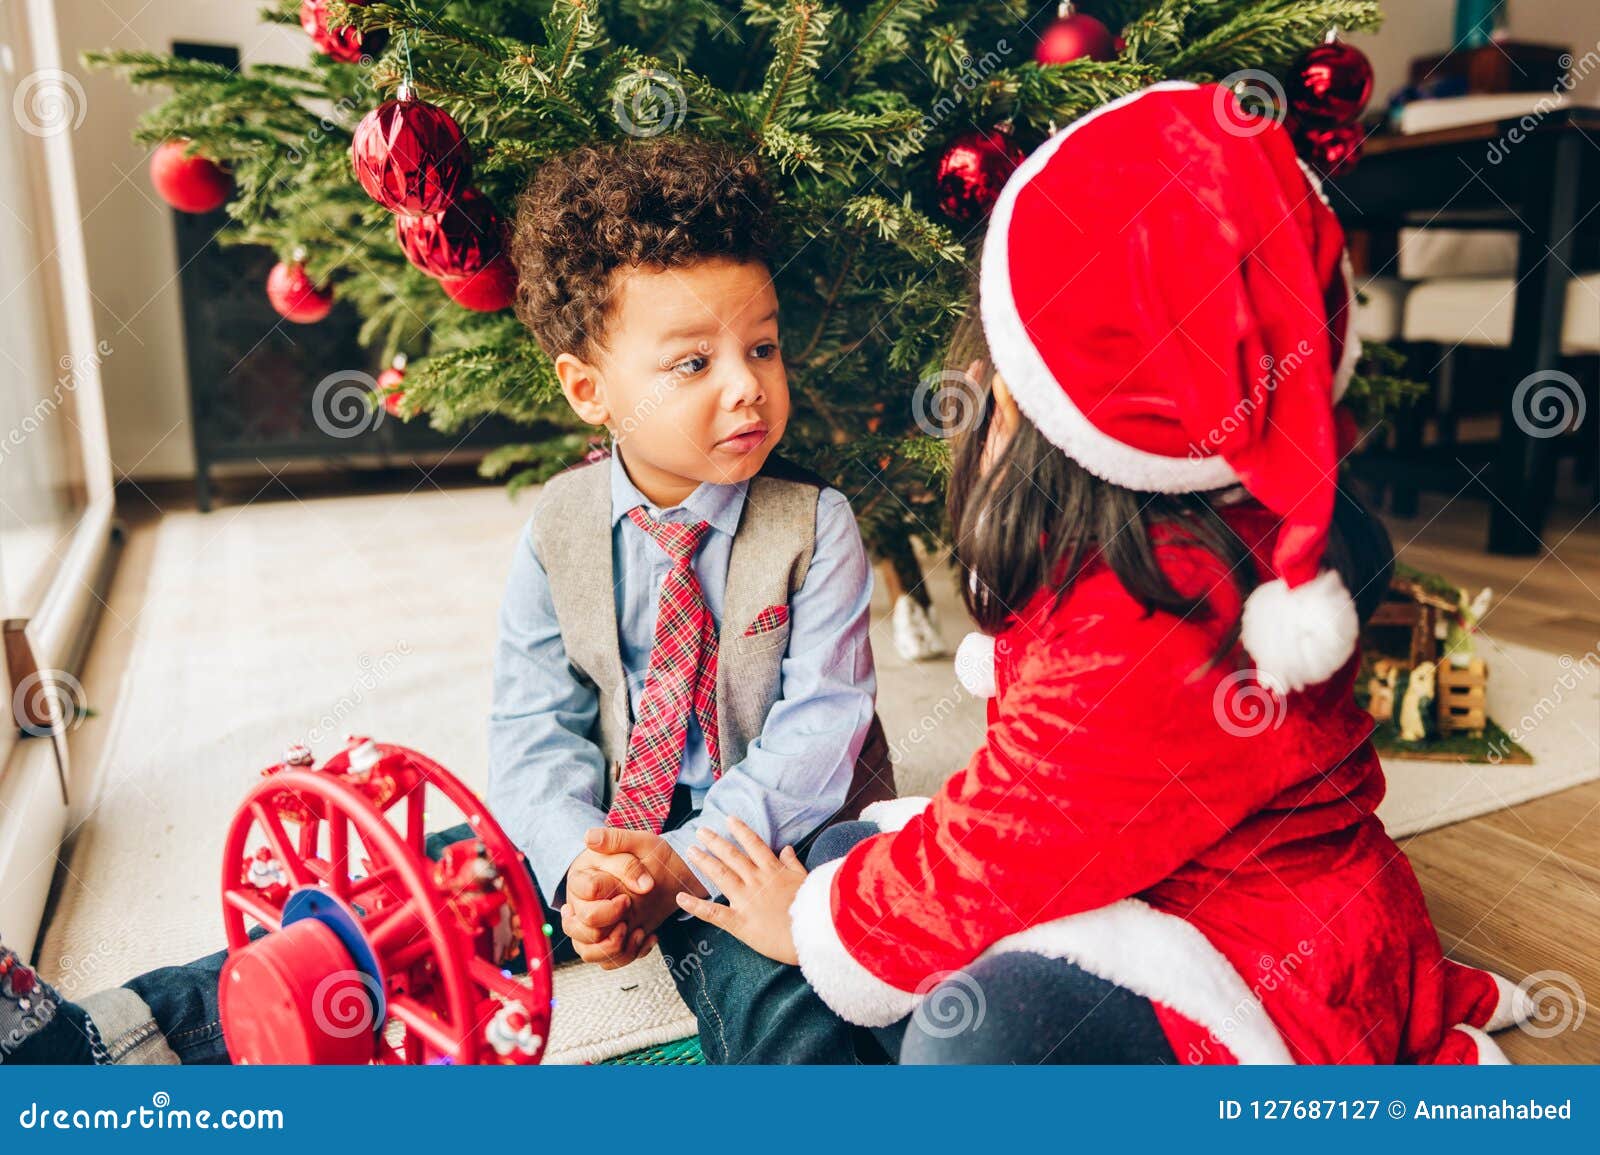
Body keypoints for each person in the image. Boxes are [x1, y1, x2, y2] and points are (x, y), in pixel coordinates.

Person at [676, 82, 1535, 1064]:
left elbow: (1010, 842)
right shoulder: (1197, 519)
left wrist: (814, 930)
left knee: (967, 1032)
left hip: (1253, 975)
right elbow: (1022, 811)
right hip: (1171, 877)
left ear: (1039, 416)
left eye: (993, 376)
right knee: (841, 865)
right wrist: (839, 904)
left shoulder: (1145, 629)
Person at [2, 137, 893, 1066]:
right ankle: (98, 1036)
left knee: (795, 1009)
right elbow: (533, 721)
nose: (748, 385)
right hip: (598, 829)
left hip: (747, 850)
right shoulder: (560, 526)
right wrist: (577, 859)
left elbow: (821, 728)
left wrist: (686, 860)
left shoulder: (813, 525)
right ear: (590, 390)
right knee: (382, 915)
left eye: (762, 346)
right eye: (691, 363)